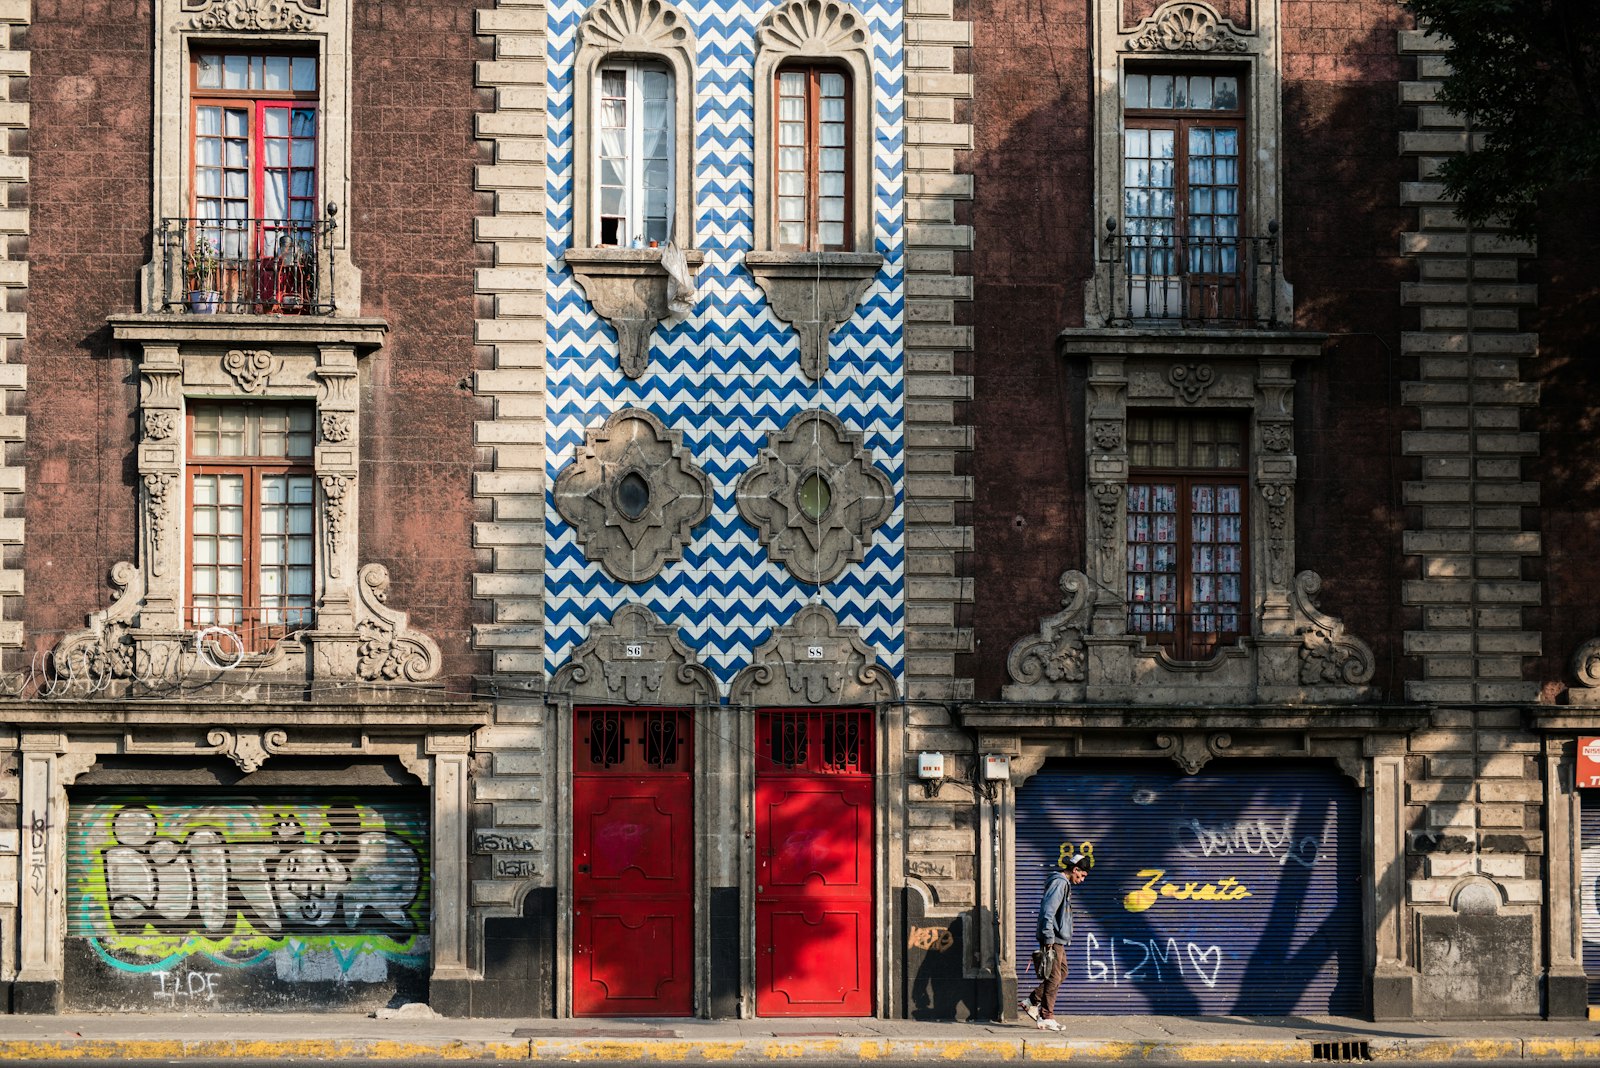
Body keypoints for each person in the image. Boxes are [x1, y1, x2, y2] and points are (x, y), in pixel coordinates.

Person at [1020, 852, 1089, 1031]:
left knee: (1062, 972)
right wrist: (1048, 937)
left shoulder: (1063, 883)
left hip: (1057, 937)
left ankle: (1031, 1001)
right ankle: (1047, 1015)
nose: (1081, 880)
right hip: (1053, 937)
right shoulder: (1060, 883)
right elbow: (1047, 911)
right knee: (1054, 976)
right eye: (1081, 875)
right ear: (1074, 870)